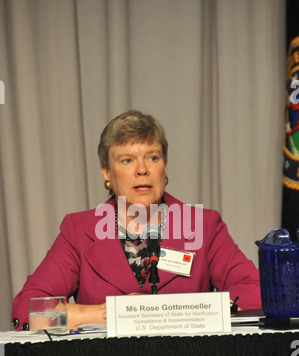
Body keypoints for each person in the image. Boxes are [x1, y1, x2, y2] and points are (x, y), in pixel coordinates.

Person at [12, 110, 261, 331]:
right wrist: (108, 313)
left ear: (165, 167)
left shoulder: (203, 225)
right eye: (127, 160)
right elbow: (27, 311)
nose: (142, 170)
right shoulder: (78, 231)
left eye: (152, 158)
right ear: (106, 172)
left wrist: (166, 312)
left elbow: (256, 293)